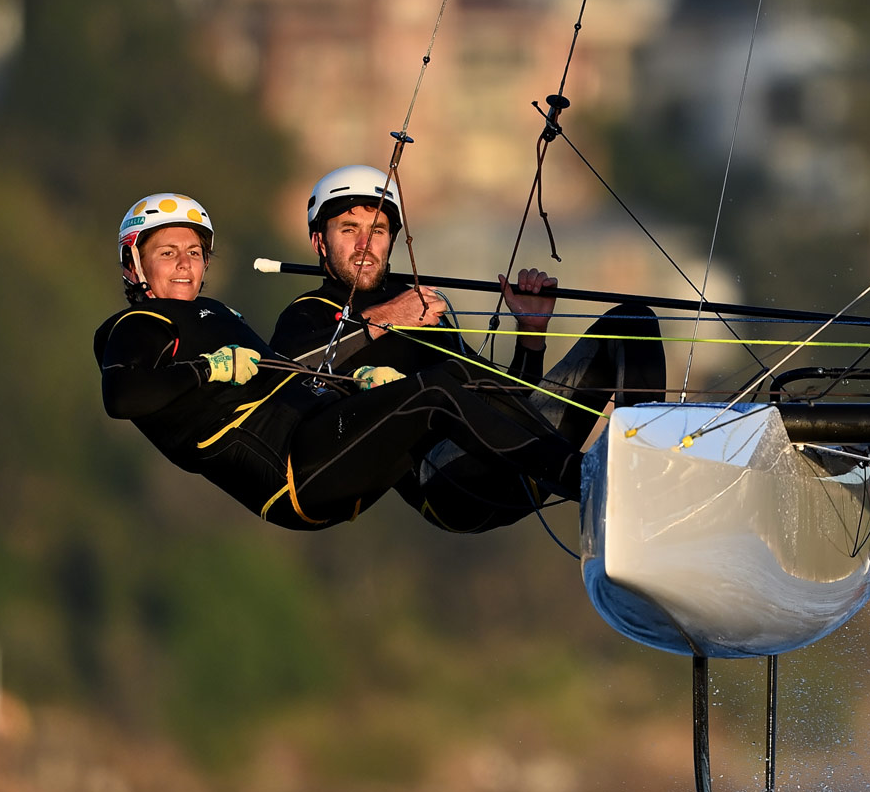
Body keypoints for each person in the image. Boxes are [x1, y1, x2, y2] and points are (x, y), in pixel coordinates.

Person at [97, 194, 591, 529]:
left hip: (321, 444)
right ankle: (584, 478)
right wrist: (208, 370)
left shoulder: (219, 314)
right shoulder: (135, 324)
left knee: (450, 379)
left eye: (194, 251)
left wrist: (359, 385)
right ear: (133, 264)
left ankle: (592, 469)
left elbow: (295, 383)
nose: (185, 263)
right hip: (292, 472)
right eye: (166, 252)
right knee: (438, 387)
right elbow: (121, 396)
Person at [271, 165, 666, 532]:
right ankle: (608, 487)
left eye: (377, 230)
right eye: (348, 229)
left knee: (634, 321)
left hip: (524, 459)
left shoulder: (421, 308)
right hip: (448, 483)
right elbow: (284, 373)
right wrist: (383, 320)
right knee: (442, 385)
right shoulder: (310, 313)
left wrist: (530, 334)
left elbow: (503, 401)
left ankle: (645, 474)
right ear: (319, 242)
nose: (364, 244)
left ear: (391, 239)